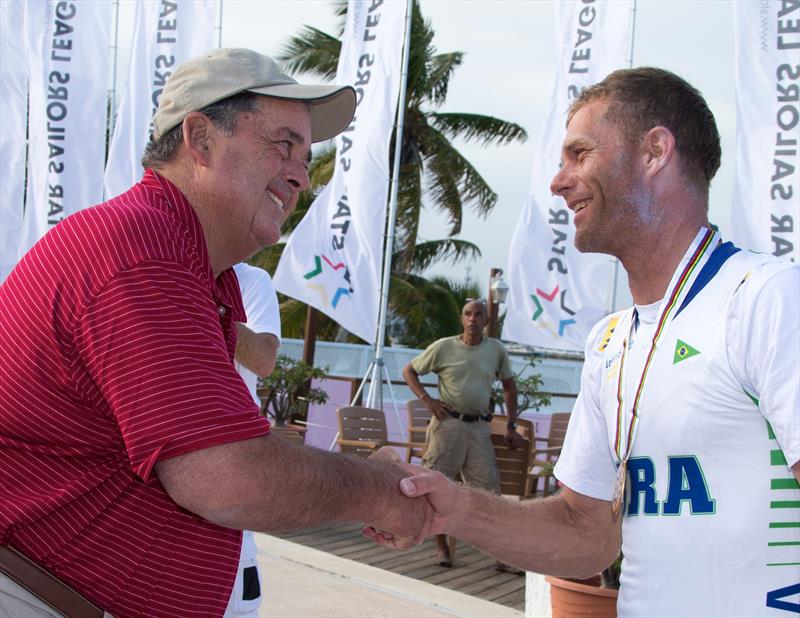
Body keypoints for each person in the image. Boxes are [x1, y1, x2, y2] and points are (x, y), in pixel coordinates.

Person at [0, 48, 433, 618]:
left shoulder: (189, 265)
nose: (302, 174)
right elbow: (225, 477)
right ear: (200, 139)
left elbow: (222, 450)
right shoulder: (140, 253)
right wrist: (380, 491)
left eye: (306, 155)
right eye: (283, 145)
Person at [372, 67, 800, 617]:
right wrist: (449, 508)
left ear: (654, 152)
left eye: (580, 154)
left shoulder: (766, 297)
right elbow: (586, 534)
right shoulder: (611, 342)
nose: (558, 181)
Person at [402, 299, 524, 567]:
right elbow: (409, 370)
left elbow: (509, 387)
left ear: (486, 321)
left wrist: (512, 425)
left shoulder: (496, 350)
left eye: (478, 315)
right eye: (468, 314)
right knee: (436, 484)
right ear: (462, 318)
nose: (473, 319)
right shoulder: (443, 347)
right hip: (448, 425)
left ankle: (500, 555)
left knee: (488, 492)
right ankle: (442, 549)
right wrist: (427, 400)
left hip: (480, 427)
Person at [225, 262, 282, 618]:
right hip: (154, 452)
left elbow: (263, 358)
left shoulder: (250, 280)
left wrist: (200, 306)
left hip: (229, 458)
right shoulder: (153, 269)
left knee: (235, 601)